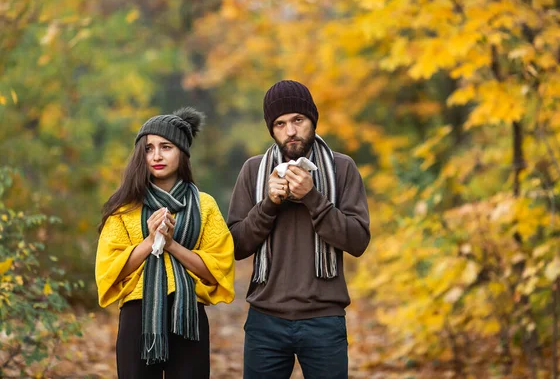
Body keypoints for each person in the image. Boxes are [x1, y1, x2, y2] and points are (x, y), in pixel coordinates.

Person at [227, 80, 370, 379]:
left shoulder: (342, 168)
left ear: (312, 121)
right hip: (265, 320)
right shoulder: (253, 171)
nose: (290, 131)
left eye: (298, 120)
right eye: (280, 123)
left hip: (324, 321)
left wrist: (313, 198)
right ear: (271, 129)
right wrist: (268, 204)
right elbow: (237, 246)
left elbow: (357, 241)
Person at [95, 107, 235, 379]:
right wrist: (150, 241)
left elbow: (218, 269)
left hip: (189, 317)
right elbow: (110, 270)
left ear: (182, 152)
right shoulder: (125, 208)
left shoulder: (205, 206)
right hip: (138, 317)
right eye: (148, 149)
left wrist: (171, 245)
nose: (156, 156)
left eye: (166, 147)